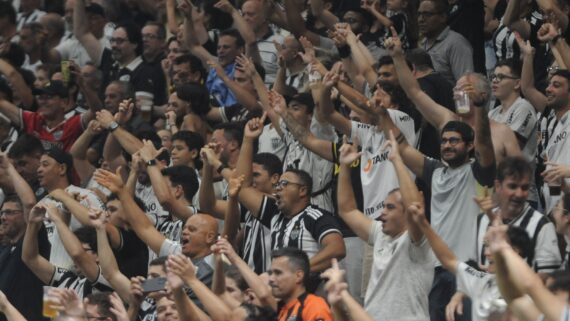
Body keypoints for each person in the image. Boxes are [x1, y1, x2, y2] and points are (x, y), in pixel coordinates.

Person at [337, 130, 435, 321]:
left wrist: (396, 160)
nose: (382, 213)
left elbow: (414, 206)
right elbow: (347, 210)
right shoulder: (381, 234)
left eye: (390, 207)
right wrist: (344, 167)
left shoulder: (417, 241)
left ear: (405, 212)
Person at [417, 0, 474, 84]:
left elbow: (466, 85)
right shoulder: (422, 43)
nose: (421, 19)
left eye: (427, 14)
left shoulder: (457, 44)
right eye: (419, 14)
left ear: (443, 17)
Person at [268, 247, 333, 321]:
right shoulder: (282, 311)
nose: (271, 279)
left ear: (298, 276)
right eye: (270, 273)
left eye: (278, 273)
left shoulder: (313, 305)